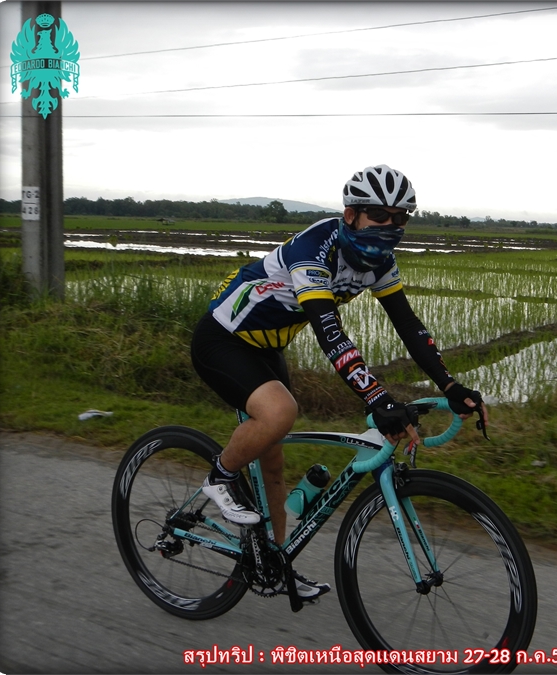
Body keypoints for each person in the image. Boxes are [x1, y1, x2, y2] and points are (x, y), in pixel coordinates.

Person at [190, 164, 487, 601]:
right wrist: (378, 399)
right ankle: (220, 476)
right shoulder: (315, 248)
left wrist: (450, 386)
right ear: (351, 214)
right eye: (379, 215)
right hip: (224, 339)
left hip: (267, 347)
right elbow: (329, 332)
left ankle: (274, 563)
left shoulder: (379, 261)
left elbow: (408, 325)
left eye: (400, 218)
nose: (389, 226)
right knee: (280, 413)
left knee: (273, 459)